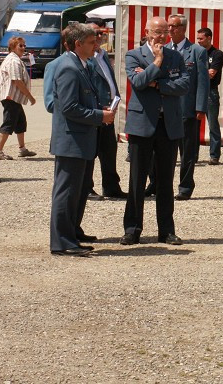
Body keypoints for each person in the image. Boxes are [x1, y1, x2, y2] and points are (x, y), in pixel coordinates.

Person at [120, 16, 189, 246]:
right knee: (137, 180)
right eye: (157, 32)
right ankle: (132, 229)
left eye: (164, 32)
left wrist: (158, 84)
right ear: (147, 32)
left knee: (165, 181)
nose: (162, 36)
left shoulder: (176, 56)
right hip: (142, 125)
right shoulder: (133, 55)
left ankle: (166, 230)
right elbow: (138, 82)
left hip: (168, 125)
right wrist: (157, 63)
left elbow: (184, 85)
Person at [49, 24, 115, 256]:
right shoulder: (69, 67)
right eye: (90, 42)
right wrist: (99, 116)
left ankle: (71, 234)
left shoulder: (82, 65)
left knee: (76, 192)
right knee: (66, 192)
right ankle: (62, 242)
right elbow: (68, 107)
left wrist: (101, 110)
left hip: (82, 139)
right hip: (71, 141)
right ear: (78, 44)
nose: (96, 46)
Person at [164, 14, 209, 201]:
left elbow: (202, 82)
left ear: (182, 28)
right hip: (166, 109)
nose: (170, 30)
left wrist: (200, 107)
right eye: (168, 27)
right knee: (165, 150)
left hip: (187, 109)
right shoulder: (164, 50)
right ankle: (161, 184)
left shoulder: (197, 51)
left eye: (173, 26)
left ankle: (185, 186)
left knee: (187, 152)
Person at [87, 22, 127, 199]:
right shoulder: (86, 59)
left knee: (109, 151)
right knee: (90, 152)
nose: (98, 37)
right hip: (96, 112)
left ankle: (111, 187)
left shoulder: (102, 55)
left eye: (99, 33)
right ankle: (87, 187)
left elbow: (110, 80)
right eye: (94, 34)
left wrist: (115, 98)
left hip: (108, 111)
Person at [0, 36, 37, 160]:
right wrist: (29, 96)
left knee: (20, 122)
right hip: (10, 97)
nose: (23, 48)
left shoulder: (15, 59)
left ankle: (22, 149)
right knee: (9, 122)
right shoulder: (13, 61)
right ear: (13, 47)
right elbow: (16, 80)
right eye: (20, 46)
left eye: (24, 46)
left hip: (14, 97)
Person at [196, 27, 223, 165]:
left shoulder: (217, 54)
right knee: (194, 124)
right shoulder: (196, 52)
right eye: (198, 39)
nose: (198, 41)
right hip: (196, 91)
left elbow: (211, 74)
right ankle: (192, 154)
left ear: (209, 38)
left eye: (201, 38)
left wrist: (196, 74)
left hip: (211, 92)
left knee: (212, 124)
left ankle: (214, 155)